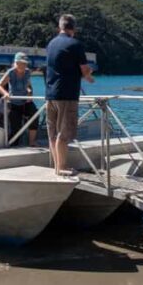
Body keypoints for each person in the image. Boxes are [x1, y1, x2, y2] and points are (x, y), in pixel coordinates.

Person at [45, 14, 95, 176]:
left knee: (52, 132)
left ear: (60, 27)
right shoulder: (75, 44)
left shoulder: (51, 44)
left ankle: (57, 167)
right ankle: (63, 167)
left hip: (50, 94)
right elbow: (84, 69)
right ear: (73, 28)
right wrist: (89, 76)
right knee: (64, 132)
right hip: (67, 94)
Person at [0, 52, 39, 146]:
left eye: (25, 63)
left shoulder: (28, 72)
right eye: (22, 63)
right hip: (14, 102)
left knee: (35, 114)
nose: (24, 65)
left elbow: (29, 86)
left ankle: (32, 142)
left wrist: (29, 92)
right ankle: (13, 144)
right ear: (17, 62)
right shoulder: (10, 72)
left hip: (25, 102)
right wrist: (6, 93)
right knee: (16, 127)